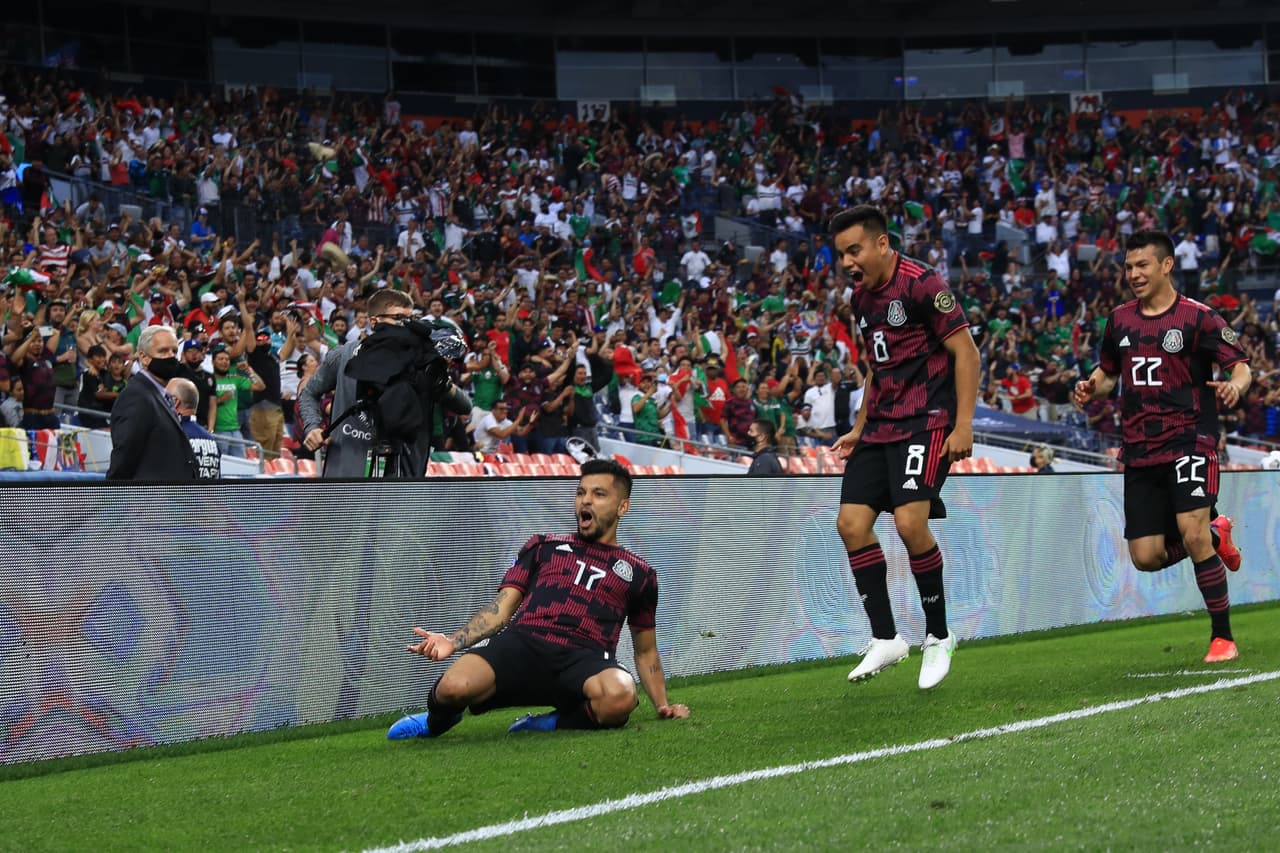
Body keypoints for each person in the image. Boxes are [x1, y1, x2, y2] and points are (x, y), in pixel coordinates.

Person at [386, 458, 690, 739]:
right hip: (524, 645)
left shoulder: (640, 573)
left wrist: (663, 705)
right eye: (581, 492)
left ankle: (549, 723)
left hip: (586, 658)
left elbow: (646, 651)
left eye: (599, 494)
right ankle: (436, 722)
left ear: (622, 507)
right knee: (453, 687)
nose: (585, 500)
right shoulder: (544, 546)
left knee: (621, 694)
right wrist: (453, 642)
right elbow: (501, 609)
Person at [1073, 230, 1249, 664]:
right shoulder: (1119, 320)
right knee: (1146, 557)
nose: (1133, 274)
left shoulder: (1198, 318)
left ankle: (1222, 638)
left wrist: (1235, 388)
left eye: (1142, 266)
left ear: (1167, 265)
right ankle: (1215, 532)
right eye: (1129, 267)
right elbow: (1111, 372)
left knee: (1190, 533)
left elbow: (1240, 365)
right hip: (1140, 448)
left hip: (1190, 438)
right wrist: (1092, 386)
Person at [829, 205, 979, 690]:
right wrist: (858, 426)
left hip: (928, 422)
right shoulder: (861, 299)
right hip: (882, 426)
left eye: (855, 250)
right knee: (850, 524)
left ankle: (939, 635)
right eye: (841, 255)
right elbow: (878, 365)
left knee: (910, 521)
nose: (848, 262)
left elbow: (965, 351)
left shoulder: (923, 285)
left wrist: (964, 424)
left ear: (881, 243)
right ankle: (887, 639)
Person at [299, 289, 470, 477]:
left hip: (403, 479)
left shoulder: (421, 361)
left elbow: (464, 406)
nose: (407, 325)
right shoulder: (343, 355)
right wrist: (313, 427)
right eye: (398, 318)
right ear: (374, 322)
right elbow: (309, 393)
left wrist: (439, 381)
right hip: (347, 474)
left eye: (411, 319)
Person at [106, 325, 200, 481]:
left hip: (168, 499)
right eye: (163, 351)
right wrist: (113, 499)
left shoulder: (161, 395)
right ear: (144, 357)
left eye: (174, 351)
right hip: (148, 501)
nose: (171, 356)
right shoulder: (136, 396)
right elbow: (124, 456)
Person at [167, 377, 221, 479]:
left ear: (175, 402)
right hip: (208, 494)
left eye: (165, 397)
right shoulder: (212, 440)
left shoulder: (172, 436)